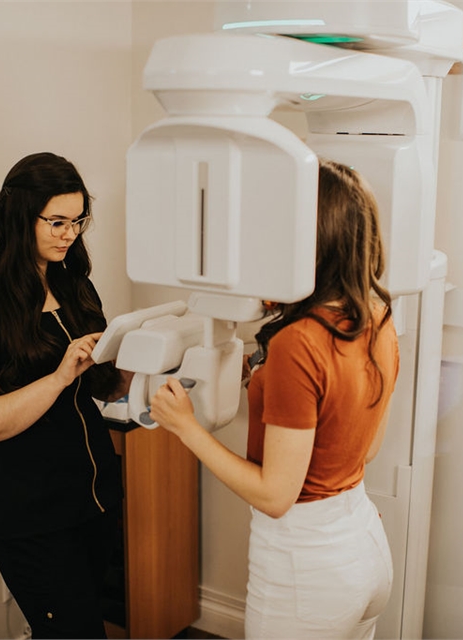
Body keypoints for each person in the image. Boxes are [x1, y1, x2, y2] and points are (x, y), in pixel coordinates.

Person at [149, 158, 400, 639]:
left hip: (306, 568)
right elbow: (361, 446)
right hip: (364, 545)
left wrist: (186, 427)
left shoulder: (298, 343)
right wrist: (265, 382)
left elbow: (274, 495)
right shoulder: (378, 317)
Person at [0, 152, 131, 639]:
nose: (70, 234)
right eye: (57, 221)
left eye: (78, 221)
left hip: (94, 497)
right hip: (32, 515)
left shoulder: (75, 285)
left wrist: (153, 359)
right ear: (19, 216)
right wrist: (60, 375)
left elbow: (102, 385)